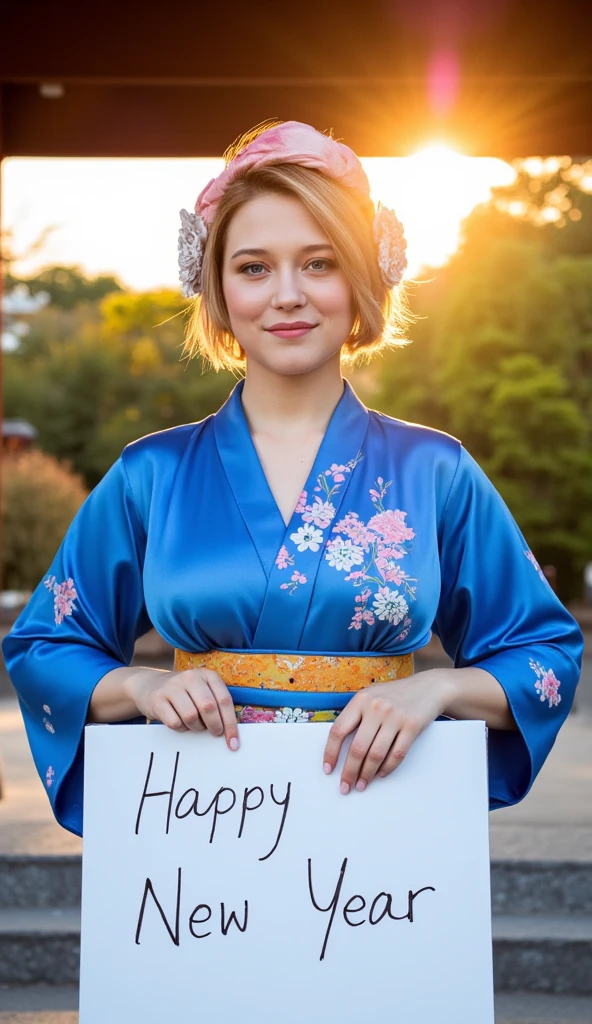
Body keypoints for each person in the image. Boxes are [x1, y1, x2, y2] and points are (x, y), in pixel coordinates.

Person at [2, 119, 583, 838]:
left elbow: (544, 651)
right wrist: (139, 685)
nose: (287, 295)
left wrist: (438, 688)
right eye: (253, 267)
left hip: (387, 821)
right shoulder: (149, 474)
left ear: (364, 276)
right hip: (199, 821)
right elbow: (43, 646)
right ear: (214, 286)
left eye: (319, 262)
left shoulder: (435, 470)